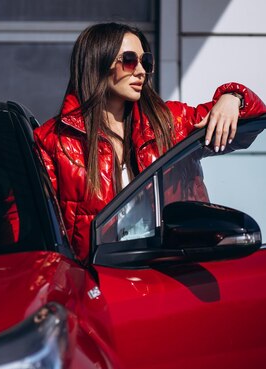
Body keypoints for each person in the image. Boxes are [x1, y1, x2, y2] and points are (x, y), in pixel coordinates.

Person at [34, 22, 266, 263]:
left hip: (169, 273)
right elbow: (37, 230)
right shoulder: (55, 140)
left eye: (145, 62)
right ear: (98, 62)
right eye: (130, 60)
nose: (141, 71)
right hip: (99, 281)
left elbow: (248, 125)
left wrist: (234, 97)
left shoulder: (169, 122)